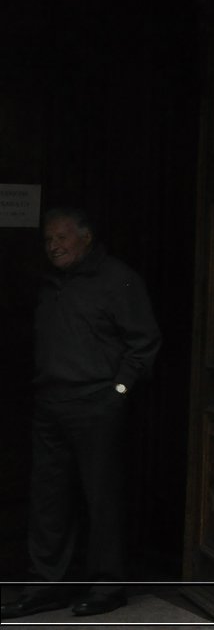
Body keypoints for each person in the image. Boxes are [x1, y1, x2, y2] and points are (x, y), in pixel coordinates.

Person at [1, 209, 161, 620]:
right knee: (48, 499)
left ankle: (107, 586)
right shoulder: (49, 283)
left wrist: (119, 391)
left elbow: (144, 342)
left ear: (86, 237)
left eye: (60, 237)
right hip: (50, 404)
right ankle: (45, 586)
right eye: (47, 240)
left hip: (97, 404)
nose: (52, 245)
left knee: (102, 497)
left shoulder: (117, 279)